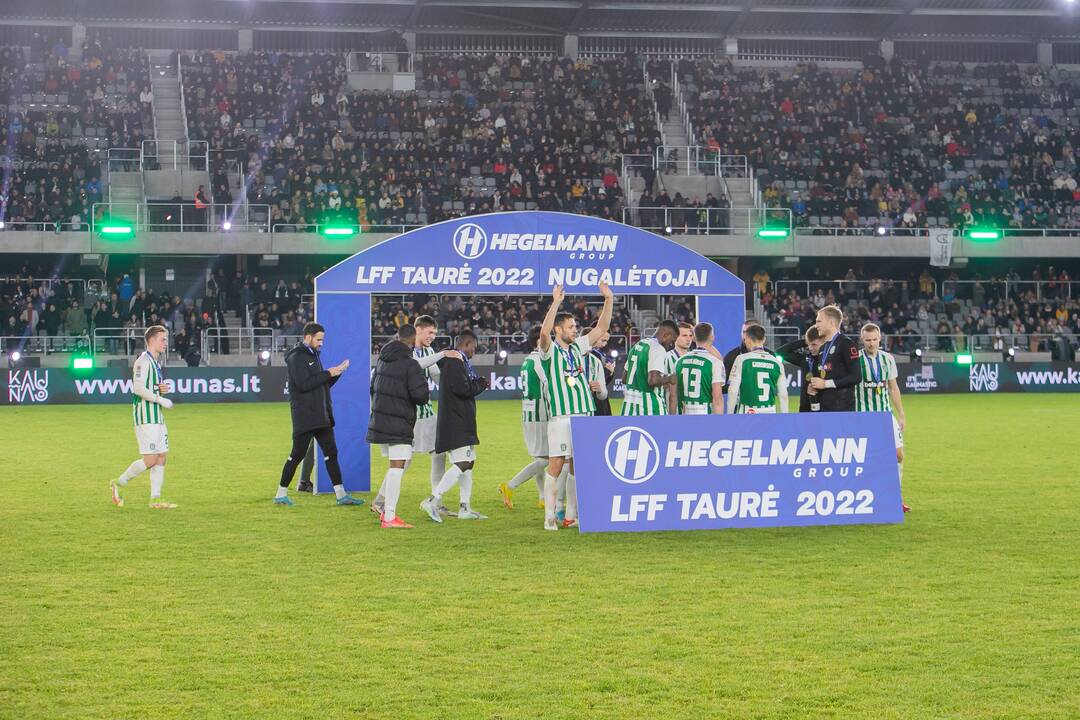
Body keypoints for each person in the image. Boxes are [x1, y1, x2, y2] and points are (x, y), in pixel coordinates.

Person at [538, 282, 614, 530]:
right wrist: (556, 303)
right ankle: (550, 516)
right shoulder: (549, 351)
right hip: (562, 417)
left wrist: (608, 299)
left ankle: (571, 515)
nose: (575, 330)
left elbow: (602, 327)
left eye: (575, 327)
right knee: (556, 466)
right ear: (559, 330)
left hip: (584, 416)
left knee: (579, 466)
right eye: (570, 327)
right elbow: (543, 334)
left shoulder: (578, 348)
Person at [369, 317, 461, 518]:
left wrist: (456, 381)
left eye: (435, 333)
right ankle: (380, 501)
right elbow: (415, 365)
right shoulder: (402, 352)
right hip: (409, 415)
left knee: (438, 454)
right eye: (429, 332)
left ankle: (437, 501)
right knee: (403, 461)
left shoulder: (429, 352)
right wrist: (442, 354)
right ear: (417, 330)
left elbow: (437, 376)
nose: (432, 336)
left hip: (427, 414)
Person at [273, 322, 362, 507]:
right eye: (319, 339)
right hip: (305, 416)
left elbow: (321, 384)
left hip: (321, 415)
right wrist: (327, 373)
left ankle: (341, 495)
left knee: (331, 453)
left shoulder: (313, 355)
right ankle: (280, 494)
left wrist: (336, 373)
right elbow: (304, 385)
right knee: (296, 455)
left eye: (322, 339)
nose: (321, 343)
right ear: (308, 337)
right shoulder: (297, 357)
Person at [367, 324, 433, 529]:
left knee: (398, 464)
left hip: (380, 420)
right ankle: (389, 517)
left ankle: (382, 507)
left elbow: (372, 388)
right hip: (399, 421)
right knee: (398, 467)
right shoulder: (410, 364)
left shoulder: (382, 360)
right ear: (413, 341)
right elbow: (421, 397)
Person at [420, 331, 490, 522]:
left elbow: (463, 386)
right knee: (463, 462)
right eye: (473, 347)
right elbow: (462, 389)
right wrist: (481, 384)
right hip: (456, 421)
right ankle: (433, 500)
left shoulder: (457, 361)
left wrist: (477, 383)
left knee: (469, 463)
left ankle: (465, 508)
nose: (474, 351)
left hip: (461, 420)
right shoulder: (454, 362)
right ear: (466, 344)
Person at [110, 325, 177, 509]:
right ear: (152, 340)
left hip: (157, 416)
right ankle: (118, 483)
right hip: (145, 415)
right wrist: (161, 400)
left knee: (162, 456)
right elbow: (138, 388)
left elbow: (150, 386)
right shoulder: (143, 361)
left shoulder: (156, 363)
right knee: (151, 459)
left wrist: (161, 389)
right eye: (162, 339)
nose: (165, 343)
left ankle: (155, 499)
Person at [857, 323, 910, 513]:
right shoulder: (856, 360)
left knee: (898, 455)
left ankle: (894, 498)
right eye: (867, 340)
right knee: (868, 460)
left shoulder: (888, 359)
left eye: (874, 339)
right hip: (863, 418)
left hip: (886, 416)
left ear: (880, 338)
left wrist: (901, 414)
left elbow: (893, 387)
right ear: (862, 339)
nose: (871, 343)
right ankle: (867, 498)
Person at [499, 325, 550, 510]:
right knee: (546, 460)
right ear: (539, 341)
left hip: (529, 414)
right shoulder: (541, 361)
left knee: (539, 458)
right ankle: (510, 485)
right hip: (540, 414)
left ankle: (543, 497)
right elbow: (548, 386)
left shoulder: (528, 360)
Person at [808, 305, 862, 411]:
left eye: (819, 321)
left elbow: (856, 377)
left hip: (842, 410)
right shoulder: (823, 347)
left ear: (831, 323)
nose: (816, 325)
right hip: (825, 408)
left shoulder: (846, 343)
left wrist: (825, 384)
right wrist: (815, 387)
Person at [726, 324, 789, 414]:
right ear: (764, 340)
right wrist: (785, 417)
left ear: (747, 339)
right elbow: (783, 395)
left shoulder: (742, 359)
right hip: (770, 412)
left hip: (748, 412)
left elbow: (733, 391)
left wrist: (730, 414)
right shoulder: (777, 363)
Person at [621, 320, 678, 416]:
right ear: (665, 335)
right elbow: (653, 381)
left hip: (629, 405)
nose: (672, 345)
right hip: (649, 407)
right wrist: (669, 378)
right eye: (672, 341)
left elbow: (624, 379)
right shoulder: (658, 349)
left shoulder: (638, 344)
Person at [675, 322, 726, 415]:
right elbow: (717, 398)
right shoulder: (714, 362)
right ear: (712, 337)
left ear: (694, 338)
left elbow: (674, 393)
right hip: (705, 415)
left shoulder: (680, 361)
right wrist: (719, 422)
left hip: (683, 414)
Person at [776, 325, 823, 412]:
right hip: (805, 407)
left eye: (814, 345)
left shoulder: (829, 359)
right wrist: (805, 341)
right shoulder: (805, 358)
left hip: (823, 407)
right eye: (809, 345)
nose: (811, 348)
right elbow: (781, 352)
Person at [723, 321, 771, 394]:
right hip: (740, 404)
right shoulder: (732, 356)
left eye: (749, 332)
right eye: (744, 332)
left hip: (765, 404)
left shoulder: (771, 356)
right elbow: (721, 386)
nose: (746, 336)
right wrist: (739, 386)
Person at [664, 321, 695, 414]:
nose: (688, 339)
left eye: (690, 336)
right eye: (684, 335)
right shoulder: (667, 358)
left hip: (693, 412)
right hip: (674, 411)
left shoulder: (695, 358)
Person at [584, 325, 612, 416]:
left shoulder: (596, 357)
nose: (604, 344)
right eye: (602, 340)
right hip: (591, 401)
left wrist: (610, 373)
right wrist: (608, 371)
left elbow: (603, 386)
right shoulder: (573, 355)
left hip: (596, 399)